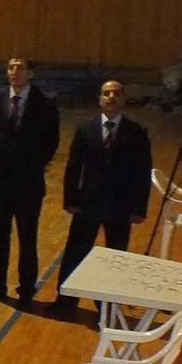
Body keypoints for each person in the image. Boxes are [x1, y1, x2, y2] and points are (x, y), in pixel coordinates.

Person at [49, 79, 152, 299]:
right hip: (88, 203)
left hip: (120, 206)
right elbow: (74, 167)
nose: (111, 97)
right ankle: (65, 300)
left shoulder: (136, 132)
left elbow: (142, 173)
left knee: (115, 258)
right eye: (107, 93)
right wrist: (71, 200)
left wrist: (139, 209)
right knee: (76, 251)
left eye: (116, 93)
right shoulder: (85, 128)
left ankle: (107, 306)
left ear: (124, 99)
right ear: (100, 99)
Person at [0, 57, 60, 303]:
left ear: (30, 73)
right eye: (11, 68)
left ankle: (26, 288)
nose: (14, 72)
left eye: (20, 68)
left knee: (27, 237)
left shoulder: (45, 101)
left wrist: (33, 164)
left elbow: (51, 141)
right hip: (0, 181)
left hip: (28, 181)